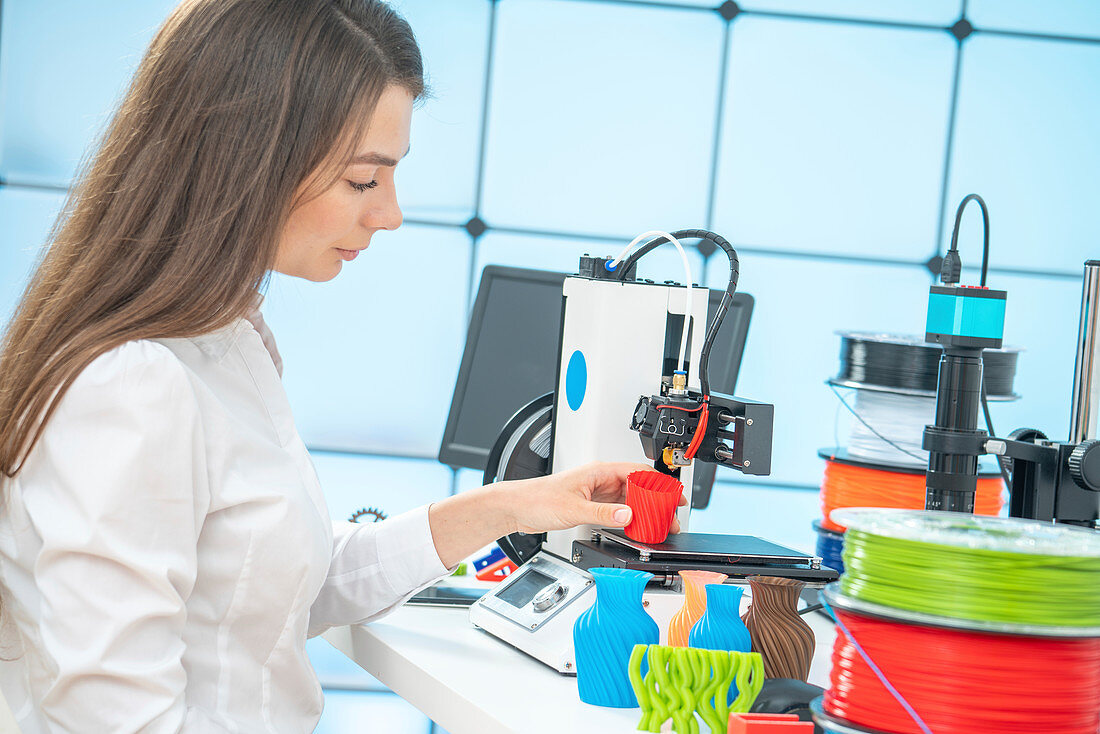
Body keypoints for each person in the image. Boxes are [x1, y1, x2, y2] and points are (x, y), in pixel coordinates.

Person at [0, 1, 683, 730]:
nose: (388, 214)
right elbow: (114, 718)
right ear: (246, 161)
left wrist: (515, 507)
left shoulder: (227, 339)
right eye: (364, 180)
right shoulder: (134, 385)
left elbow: (283, 584)